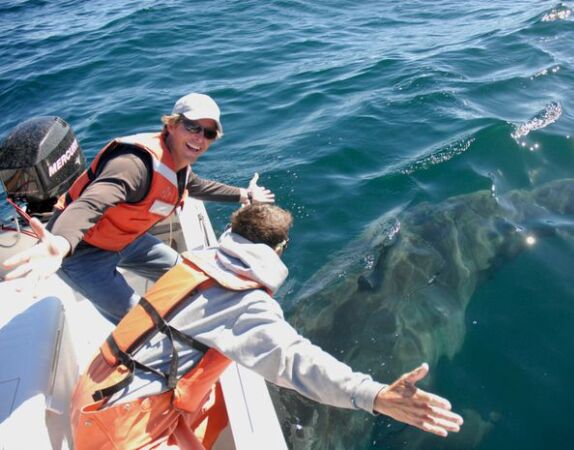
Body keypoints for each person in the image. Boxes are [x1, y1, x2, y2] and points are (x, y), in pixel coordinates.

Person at [67, 203, 463, 449]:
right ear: (280, 249)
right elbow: (295, 362)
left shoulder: (197, 262)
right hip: (119, 431)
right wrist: (375, 395)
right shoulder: (243, 301)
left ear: (233, 232)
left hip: (96, 389)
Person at [2, 93, 274, 323]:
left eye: (209, 133)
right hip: (83, 252)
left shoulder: (177, 162)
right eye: (192, 127)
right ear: (172, 124)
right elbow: (92, 202)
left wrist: (245, 195)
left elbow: (197, 185)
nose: (200, 138)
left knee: (187, 276)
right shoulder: (134, 165)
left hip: (125, 239)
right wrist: (61, 243)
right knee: (139, 323)